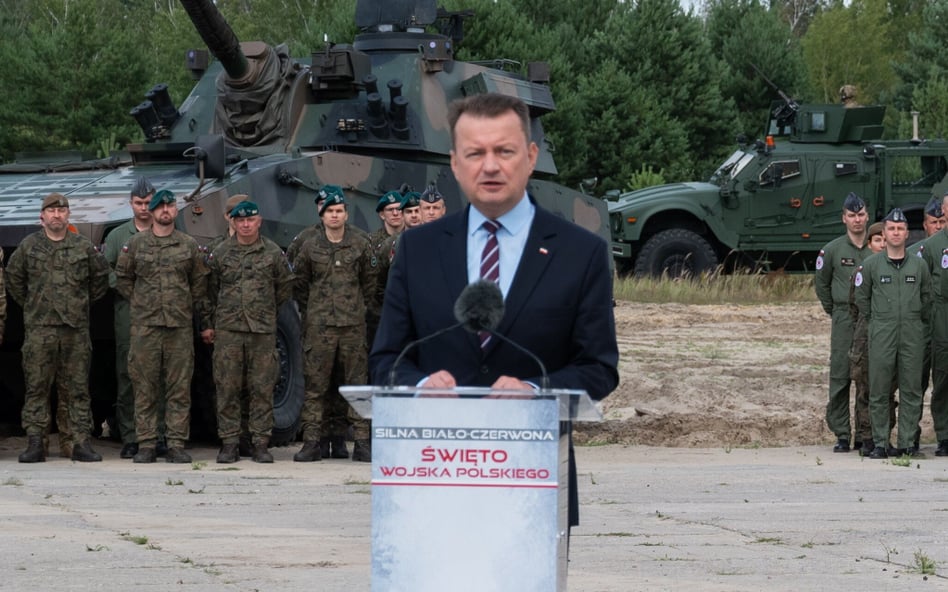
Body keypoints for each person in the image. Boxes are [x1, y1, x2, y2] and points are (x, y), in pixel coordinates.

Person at [369, 93, 619, 528]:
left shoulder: (581, 253)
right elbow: (386, 360)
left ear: (530, 156)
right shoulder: (417, 249)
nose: (490, 166)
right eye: (475, 153)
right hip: (431, 480)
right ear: (454, 163)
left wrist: (537, 391)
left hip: (532, 483)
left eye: (504, 151)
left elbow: (599, 368)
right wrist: (421, 384)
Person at [5, 192, 110, 462]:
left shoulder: (82, 247)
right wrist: (35, 306)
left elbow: (100, 280)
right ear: (42, 216)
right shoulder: (29, 247)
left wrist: (78, 304)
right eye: (51, 211)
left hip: (75, 330)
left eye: (61, 211)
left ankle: (78, 442)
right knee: (37, 387)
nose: (56, 215)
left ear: (68, 215)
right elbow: (14, 280)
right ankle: (36, 443)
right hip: (40, 330)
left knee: (77, 388)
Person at [115, 189, 209, 464]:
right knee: (145, 386)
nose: (165, 210)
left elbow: (199, 283)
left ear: (175, 210)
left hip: (178, 327)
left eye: (170, 206)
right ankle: (146, 443)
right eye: (160, 207)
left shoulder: (188, 245)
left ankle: (175, 443)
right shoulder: (135, 244)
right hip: (145, 327)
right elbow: (123, 278)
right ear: (153, 211)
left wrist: (182, 304)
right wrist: (142, 302)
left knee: (178, 387)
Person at [202, 200, 294, 463]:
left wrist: (265, 312)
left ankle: (260, 443)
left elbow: (284, 288)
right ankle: (230, 443)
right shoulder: (220, 253)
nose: (245, 225)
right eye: (240, 220)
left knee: (262, 387)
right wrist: (210, 323)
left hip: (261, 331)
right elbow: (209, 290)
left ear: (258, 221)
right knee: (227, 387)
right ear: (233, 222)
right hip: (229, 331)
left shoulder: (273, 253)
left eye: (250, 220)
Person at [293, 189, 377, 462]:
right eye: (330, 211)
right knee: (315, 386)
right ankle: (312, 442)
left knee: (357, 385)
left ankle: (361, 442)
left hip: (352, 327)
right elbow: (300, 284)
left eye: (339, 211)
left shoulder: (360, 243)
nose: (334, 215)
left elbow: (369, 282)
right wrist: (314, 310)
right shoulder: (310, 245)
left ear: (346, 214)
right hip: (320, 328)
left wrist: (356, 308)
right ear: (322, 214)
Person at [855, 208, 931, 458]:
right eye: (891, 228)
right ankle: (880, 442)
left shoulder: (919, 266)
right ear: (884, 233)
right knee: (879, 389)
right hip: (882, 333)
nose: (896, 233)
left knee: (911, 390)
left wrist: (914, 321)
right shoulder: (871, 265)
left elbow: (927, 299)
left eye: (900, 229)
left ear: (907, 233)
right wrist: (878, 321)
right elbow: (862, 298)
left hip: (912, 334)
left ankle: (907, 443)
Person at [103, 176, 156, 459]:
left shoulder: (168, 232)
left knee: (159, 376)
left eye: (148, 202)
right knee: (128, 375)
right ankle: (131, 436)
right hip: (128, 314)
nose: (144, 208)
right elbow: (106, 271)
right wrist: (130, 287)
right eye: (139, 203)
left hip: (160, 316)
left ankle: (158, 435)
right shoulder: (117, 236)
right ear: (131, 204)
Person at [814, 192, 870, 453]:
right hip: (843, 318)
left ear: (867, 216)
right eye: (852, 215)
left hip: (869, 319)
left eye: (861, 214)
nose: (857, 220)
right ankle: (842, 433)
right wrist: (836, 311)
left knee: (866, 377)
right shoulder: (832, 250)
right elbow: (822, 285)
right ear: (843, 218)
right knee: (840, 374)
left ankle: (864, 433)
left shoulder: (876, 247)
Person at [848, 221, 891, 453]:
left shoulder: (897, 269)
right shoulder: (861, 272)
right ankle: (866, 438)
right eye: (877, 240)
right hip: (865, 337)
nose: (882, 244)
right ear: (869, 244)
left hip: (889, 336)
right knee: (865, 389)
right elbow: (854, 306)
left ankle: (884, 435)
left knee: (886, 389)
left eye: (885, 239)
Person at [916, 191, 948, 456]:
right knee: (943, 378)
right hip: (940, 320)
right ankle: (945, 435)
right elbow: (921, 288)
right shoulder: (931, 247)